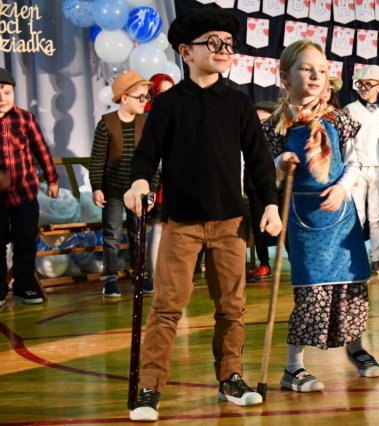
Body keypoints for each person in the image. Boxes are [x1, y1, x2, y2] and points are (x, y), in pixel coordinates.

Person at [124, 3, 282, 421]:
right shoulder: (169, 105)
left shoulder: (239, 104)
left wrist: (268, 203)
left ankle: (231, 376)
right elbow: (146, 156)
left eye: (228, 43)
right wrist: (140, 181)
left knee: (232, 306)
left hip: (231, 223)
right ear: (186, 51)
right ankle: (149, 387)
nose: (222, 48)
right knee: (167, 307)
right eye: (212, 42)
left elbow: (261, 161)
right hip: (182, 224)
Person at [263, 39, 379, 393]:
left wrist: (344, 187)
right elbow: (262, 172)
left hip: (340, 212)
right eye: (305, 68)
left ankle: (356, 348)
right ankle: (292, 368)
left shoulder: (339, 119)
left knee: (351, 287)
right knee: (311, 292)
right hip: (303, 217)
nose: (315, 75)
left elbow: (355, 161)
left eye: (322, 70)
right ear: (285, 77)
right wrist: (280, 164)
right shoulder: (275, 126)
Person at [89, 71, 155, 297]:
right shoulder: (107, 123)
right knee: (112, 236)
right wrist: (96, 186)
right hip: (114, 190)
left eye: (146, 97)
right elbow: (97, 158)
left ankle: (141, 276)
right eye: (139, 97)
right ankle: (110, 279)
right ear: (124, 98)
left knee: (140, 234)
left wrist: (151, 194)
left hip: (139, 191)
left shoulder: (146, 124)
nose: (144, 102)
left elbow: (154, 161)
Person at [0, 67, 59, 306]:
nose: (2, 98)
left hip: (24, 192)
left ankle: (24, 287)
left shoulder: (25, 118)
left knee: (25, 240)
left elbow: (41, 150)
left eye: (7, 92)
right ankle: (0, 289)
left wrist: (52, 178)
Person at [344, 65, 379, 275]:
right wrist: (351, 169)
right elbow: (347, 142)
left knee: (376, 216)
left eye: (368, 84)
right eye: (360, 84)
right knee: (357, 215)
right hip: (357, 167)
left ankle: (377, 258)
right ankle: (355, 258)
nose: (363, 88)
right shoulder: (350, 109)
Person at [143, 73, 176, 284]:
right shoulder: (148, 117)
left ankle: (168, 275)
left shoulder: (174, 113)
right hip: (155, 182)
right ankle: (154, 276)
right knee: (157, 227)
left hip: (175, 180)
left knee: (172, 229)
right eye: (162, 92)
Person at [245, 100, 279, 282]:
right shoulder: (248, 137)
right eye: (258, 122)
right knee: (259, 227)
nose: (261, 126)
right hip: (255, 187)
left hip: (278, 186)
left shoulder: (281, 136)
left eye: (265, 121)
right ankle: (264, 264)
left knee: (287, 228)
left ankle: (294, 260)